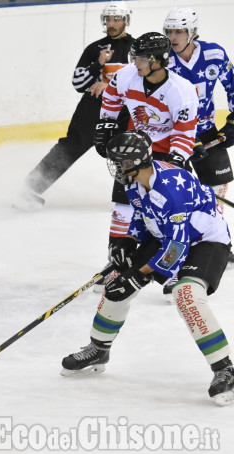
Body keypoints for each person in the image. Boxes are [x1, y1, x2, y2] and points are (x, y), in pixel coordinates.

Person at [61, 130, 234, 406]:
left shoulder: (171, 190)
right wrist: (127, 242)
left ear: (133, 162)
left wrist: (140, 277)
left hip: (205, 241)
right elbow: (143, 218)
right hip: (168, 236)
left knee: (186, 294)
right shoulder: (134, 181)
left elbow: (176, 249)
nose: (116, 167)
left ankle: (224, 368)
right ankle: (98, 349)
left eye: (119, 162)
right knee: (117, 279)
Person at [92, 32, 199, 293]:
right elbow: (112, 98)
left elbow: (185, 133)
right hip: (135, 148)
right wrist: (106, 123)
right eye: (135, 57)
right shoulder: (127, 76)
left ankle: (176, 266)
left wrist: (175, 161)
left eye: (141, 58)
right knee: (123, 204)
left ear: (158, 61)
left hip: (165, 152)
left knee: (172, 211)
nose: (135, 62)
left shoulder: (181, 90)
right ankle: (116, 263)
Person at [16, 1, 134, 210]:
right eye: (108, 19)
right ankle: (30, 190)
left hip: (124, 109)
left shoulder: (136, 49)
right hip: (94, 108)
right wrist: (98, 63)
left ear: (126, 20)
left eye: (116, 19)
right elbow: (78, 83)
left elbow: (141, 81)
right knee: (71, 145)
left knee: (129, 150)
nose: (111, 24)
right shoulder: (95, 49)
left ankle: (128, 199)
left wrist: (112, 86)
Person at [163, 7, 234, 264]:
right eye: (169, 31)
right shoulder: (163, 60)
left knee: (216, 189)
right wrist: (185, 139)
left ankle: (215, 244)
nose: (173, 37)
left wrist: (233, 121)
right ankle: (178, 248)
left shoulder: (214, 54)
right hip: (174, 136)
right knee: (175, 196)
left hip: (206, 131)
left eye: (179, 31)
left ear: (192, 32)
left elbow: (233, 84)